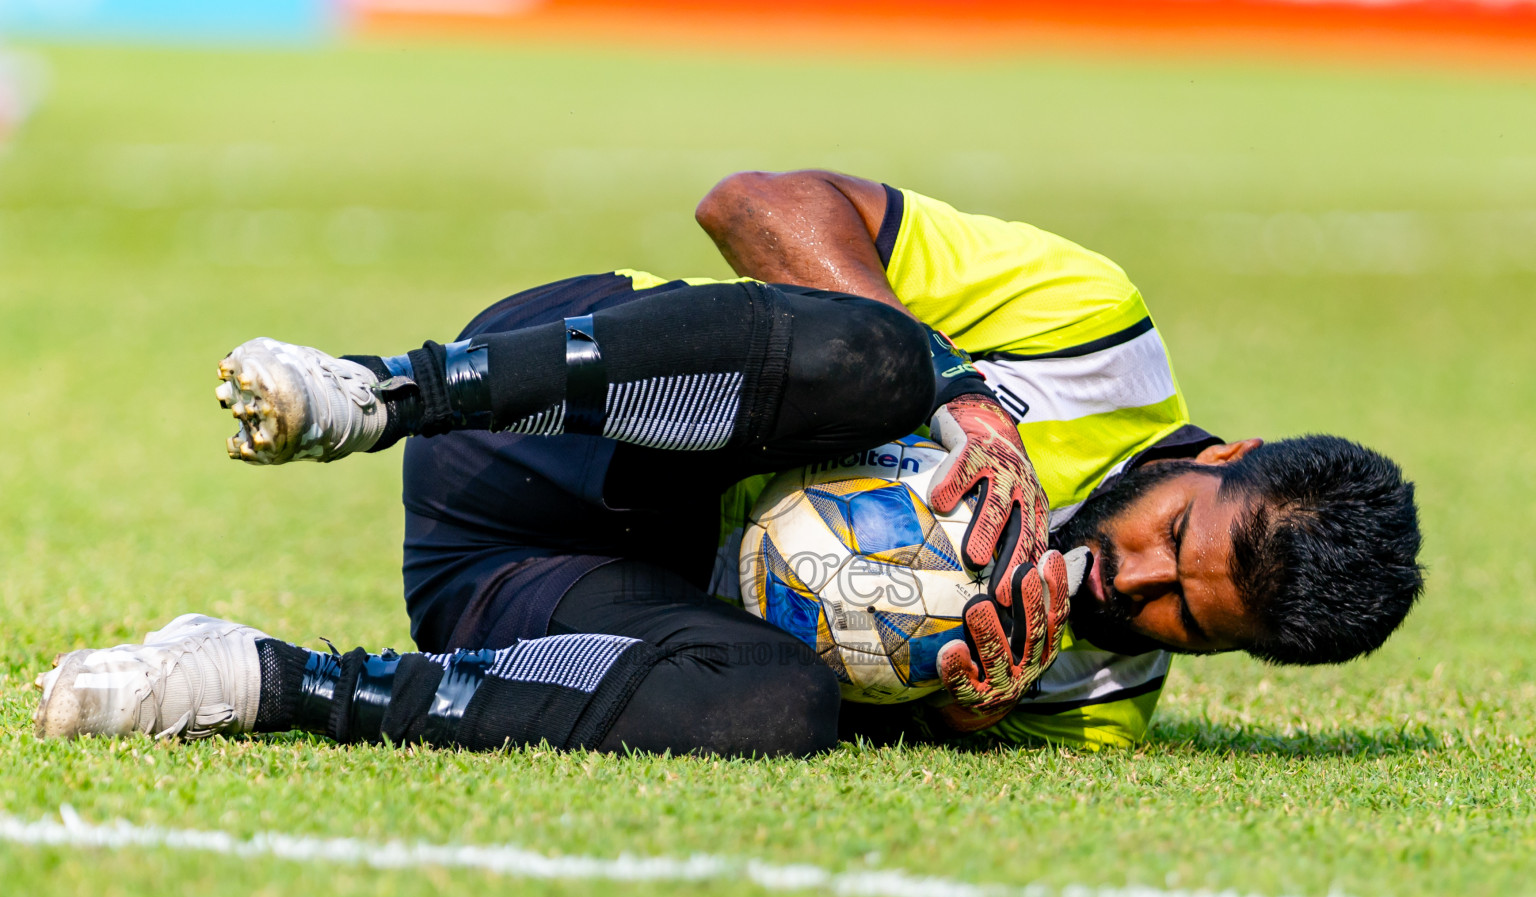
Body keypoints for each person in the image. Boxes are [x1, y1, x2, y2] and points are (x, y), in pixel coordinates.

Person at [33, 170, 1424, 756]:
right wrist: (950, 394)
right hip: (544, 408)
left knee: (778, 712)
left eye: (1184, 611)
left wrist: (962, 689)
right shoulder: (1086, 332)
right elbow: (752, 205)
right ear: (1222, 455)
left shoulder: (1098, 693)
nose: (1129, 577)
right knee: (886, 359)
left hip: (518, 589)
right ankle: (381, 392)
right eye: (1173, 532)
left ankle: (259, 678)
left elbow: (869, 682)